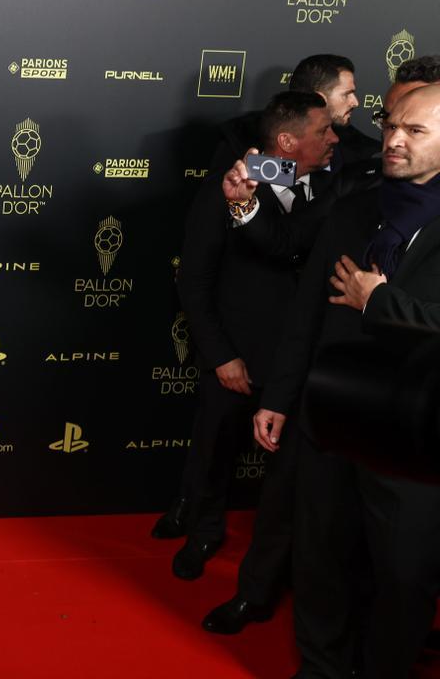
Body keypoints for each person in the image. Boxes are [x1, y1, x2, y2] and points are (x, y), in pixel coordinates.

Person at [255, 84, 440, 677]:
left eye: (415, 132)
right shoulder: (354, 207)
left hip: (414, 437)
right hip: (330, 420)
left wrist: (381, 302)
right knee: (320, 564)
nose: (392, 140)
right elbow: (306, 313)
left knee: (401, 577)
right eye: (391, 125)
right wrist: (280, 398)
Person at [161, 92, 337, 583]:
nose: (335, 138)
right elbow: (193, 280)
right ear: (287, 141)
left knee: (293, 473)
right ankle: (203, 530)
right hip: (236, 358)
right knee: (213, 451)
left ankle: (275, 564)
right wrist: (221, 355)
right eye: (324, 131)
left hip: (303, 364)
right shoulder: (229, 187)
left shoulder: (336, 188)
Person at [207, 54, 379, 175]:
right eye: (346, 94)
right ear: (318, 98)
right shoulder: (240, 139)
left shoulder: (363, 152)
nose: (355, 102)